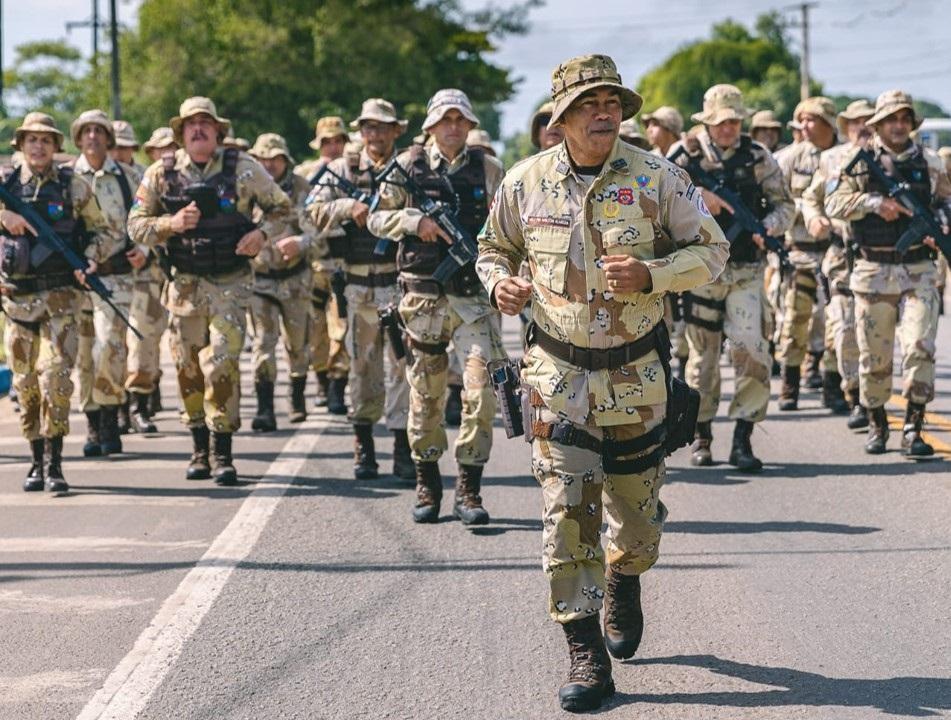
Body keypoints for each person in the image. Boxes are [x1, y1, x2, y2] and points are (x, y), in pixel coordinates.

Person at [478, 54, 728, 712]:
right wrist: (498, 283)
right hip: (556, 377)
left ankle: (625, 576)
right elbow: (491, 248)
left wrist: (653, 275)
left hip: (635, 378)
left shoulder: (657, 176)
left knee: (637, 524)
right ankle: (583, 648)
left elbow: (712, 250)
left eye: (611, 100)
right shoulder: (525, 182)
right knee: (566, 518)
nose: (603, 111)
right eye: (589, 102)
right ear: (560, 117)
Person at [128, 97, 291, 483]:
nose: (198, 129)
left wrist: (261, 234)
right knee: (186, 367)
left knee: (221, 360)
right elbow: (135, 226)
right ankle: (198, 445)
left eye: (205, 123)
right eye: (190, 124)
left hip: (230, 284)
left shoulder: (244, 169)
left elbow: (284, 210)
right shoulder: (159, 173)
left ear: (218, 130)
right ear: (181, 132)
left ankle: (222, 451)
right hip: (184, 285)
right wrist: (170, 224)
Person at [370, 88, 506, 526]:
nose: (452, 126)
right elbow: (376, 217)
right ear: (430, 126)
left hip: (473, 300)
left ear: (469, 125)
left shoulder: (489, 168)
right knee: (425, 395)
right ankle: (427, 480)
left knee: (481, 391)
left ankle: (469, 487)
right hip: (423, 297)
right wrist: (416, 222)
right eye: (445, 119)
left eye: (460, 120)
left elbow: (508, 226)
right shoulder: (406, 167)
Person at [669, 85, 794, 471]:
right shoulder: (682, 156)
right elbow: (654, 200)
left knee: (752, 351)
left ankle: (743, 437)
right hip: (700, 270)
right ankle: (702, 434)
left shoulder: (758, 157)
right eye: (722, 122)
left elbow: (785, 205)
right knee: (701, 360)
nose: (729, 129)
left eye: (735, 122)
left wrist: (768, 226)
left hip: (745, 271)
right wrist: (696, 195)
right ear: (707, 121)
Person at [825, 90, 951, 457]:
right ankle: (878, 422)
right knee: (874, 356)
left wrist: (938, 224)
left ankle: (913, 427)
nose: (899, 125)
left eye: (904, 119)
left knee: (920, 348)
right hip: (872, 268)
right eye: (891, 119)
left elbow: (946, 202)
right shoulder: (857, 162)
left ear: (912, 124)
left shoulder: (930, 162)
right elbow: (833, 202)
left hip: (919, 270)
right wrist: (873, 203)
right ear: (877, 124)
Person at [0, 112, 113, 491]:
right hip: (17, 303)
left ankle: (55, 464)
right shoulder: (6, 185)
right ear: (20, 145)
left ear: (56, 147)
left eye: (46, 140)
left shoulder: (73, 186)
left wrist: (92, 259)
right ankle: (34, 461)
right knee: (26, 384)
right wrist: (5, 215)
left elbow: (102, 230)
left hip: (61, 300)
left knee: (56, 377)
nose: (38, 146)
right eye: (31, 139)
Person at [306, 98, 413, 480]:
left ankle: (403, 449)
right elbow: (311, 212)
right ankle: (364, 446)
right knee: (362, 368)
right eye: (368, 127)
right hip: (355, 286)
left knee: (403, 368)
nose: (375, 134)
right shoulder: (340, 170)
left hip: (399, 284)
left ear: (396, 130)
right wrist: (347, 206)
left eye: (383, 127)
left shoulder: (409, 168)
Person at [71, 109, 143, 453]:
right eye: (86, 131)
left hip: (115, 277)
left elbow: (148, 219)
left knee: (109, 346)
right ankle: (92, 424)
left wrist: (145, 248)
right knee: (84, 353)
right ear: (78, 138)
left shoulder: (129, 177)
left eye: (99, 131)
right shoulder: (66, 176)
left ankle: (111, 417)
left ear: (108, 138)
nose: (93, 137)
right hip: (75, 279)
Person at [800, 100, 875, 426]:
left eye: (869, 121)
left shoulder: (888, 160)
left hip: (883, 260)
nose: (863, 127)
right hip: (843, 258)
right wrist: (815, 219)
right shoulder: (834, 159)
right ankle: (856, 394)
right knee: (844, 328)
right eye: (855, 122)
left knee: (872, 334)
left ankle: (875, 398)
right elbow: (811, 198)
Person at [774, 97, 839, 410]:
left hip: (837, 253)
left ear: (828, 123)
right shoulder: (790, 158)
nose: (805, 126)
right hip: (800, 252)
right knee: (795, 321)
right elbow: (777, 202)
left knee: (835, 322)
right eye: (802, 119)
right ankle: (790, 386)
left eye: (812, 120)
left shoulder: (844, 156)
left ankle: (833, 386)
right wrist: (805, 212)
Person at [248, 133, 314, 431]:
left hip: (295, 278)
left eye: (275, 159)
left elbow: (318, 228)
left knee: (298, 345)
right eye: (264, 159)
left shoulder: (301, 187)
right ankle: (265, 408)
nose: (270, 164)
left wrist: (301, 242)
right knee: (263, 343)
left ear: (285, 160)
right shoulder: (247, 187)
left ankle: (297, 396)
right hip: (260, 280)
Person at [295, 116, 351, 412]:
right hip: (313, 264)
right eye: (327, 142)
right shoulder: (303, 174)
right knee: (313, 329)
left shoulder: (353, 173)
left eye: (337, 141)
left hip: (342, 263)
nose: (332, 146)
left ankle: (337, 386)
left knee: (340, 326)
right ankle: (321, 378)